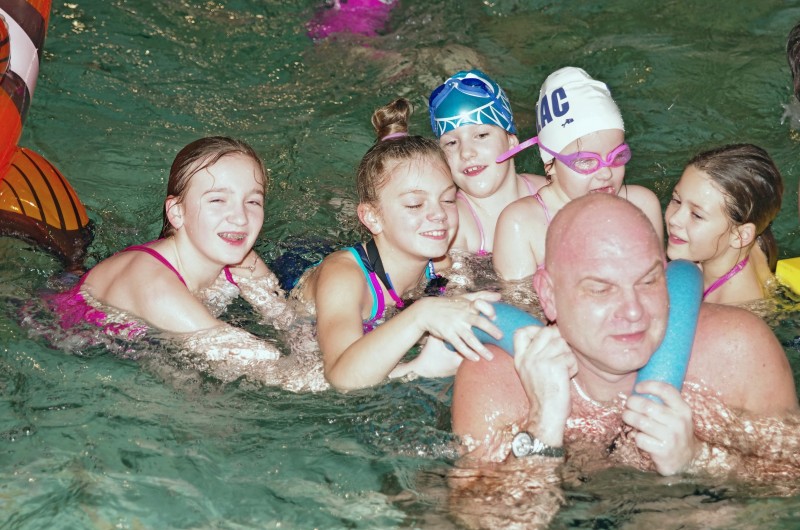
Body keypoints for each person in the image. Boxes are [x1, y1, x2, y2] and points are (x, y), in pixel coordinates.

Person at [449, 194, 799, 528]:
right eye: (601, 289)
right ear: (549, 295)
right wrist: (542, 425)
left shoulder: (734, 348)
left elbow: (790, 484)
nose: (633, 312)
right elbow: (489, 523)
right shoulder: (498, 377)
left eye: (648, 281)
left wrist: (701, 458)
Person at [290, 98, 502, 391]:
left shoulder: (441, 264)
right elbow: (340, 376)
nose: (439, 214)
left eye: (447, 199)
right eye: (415, 204)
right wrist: (421, 316)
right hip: (296, 267)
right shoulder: (344, 278)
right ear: (373, 217)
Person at [50, 136, 293, 364]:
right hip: (72, 343)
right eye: (218, 200)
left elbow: (290, 321)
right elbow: (261, 361)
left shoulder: (242, 260)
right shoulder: (157, 290)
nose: (241, 218)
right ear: (177, 212)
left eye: (253, 201)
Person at [492, 66, 663, 281]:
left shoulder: (642, 205)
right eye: (586, 161)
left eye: (616, 156)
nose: (605, 173)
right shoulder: (522, 224)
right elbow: (517, 302)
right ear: (550, 165)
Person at [428, 69, 545, 256]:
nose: (466, 153)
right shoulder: (453, 226)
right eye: (451, 143)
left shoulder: (547, 193)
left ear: (511, 141)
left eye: (481, 135)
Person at [665, 143, 783, 306]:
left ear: (740, 236)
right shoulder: (745, 233)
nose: (674, 219)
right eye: (676, 200)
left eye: (697, 215)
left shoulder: (729, 307)